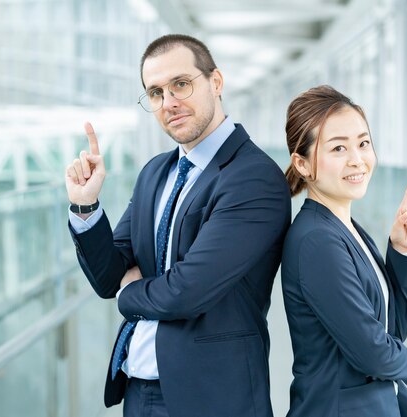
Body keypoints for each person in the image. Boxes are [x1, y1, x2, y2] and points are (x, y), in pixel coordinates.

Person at [64, 34, 291, 417]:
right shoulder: (156, 172)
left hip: (213, 397)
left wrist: (128, 295)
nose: (169, 102)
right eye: (155, 93)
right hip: (140, 392)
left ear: (215, 83)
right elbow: (108, 276)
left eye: (181, 85)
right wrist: (85, 204)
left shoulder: (254, 178)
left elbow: (187, 291)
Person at [281, 85, 407, 417]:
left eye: (363, 143)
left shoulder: (346, 228)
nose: (357, 160)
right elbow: (373, 352)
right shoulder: (316, 241)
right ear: (302, 165)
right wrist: (406, 360)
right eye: (338, 149)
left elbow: (392, 330)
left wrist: (401, 251)